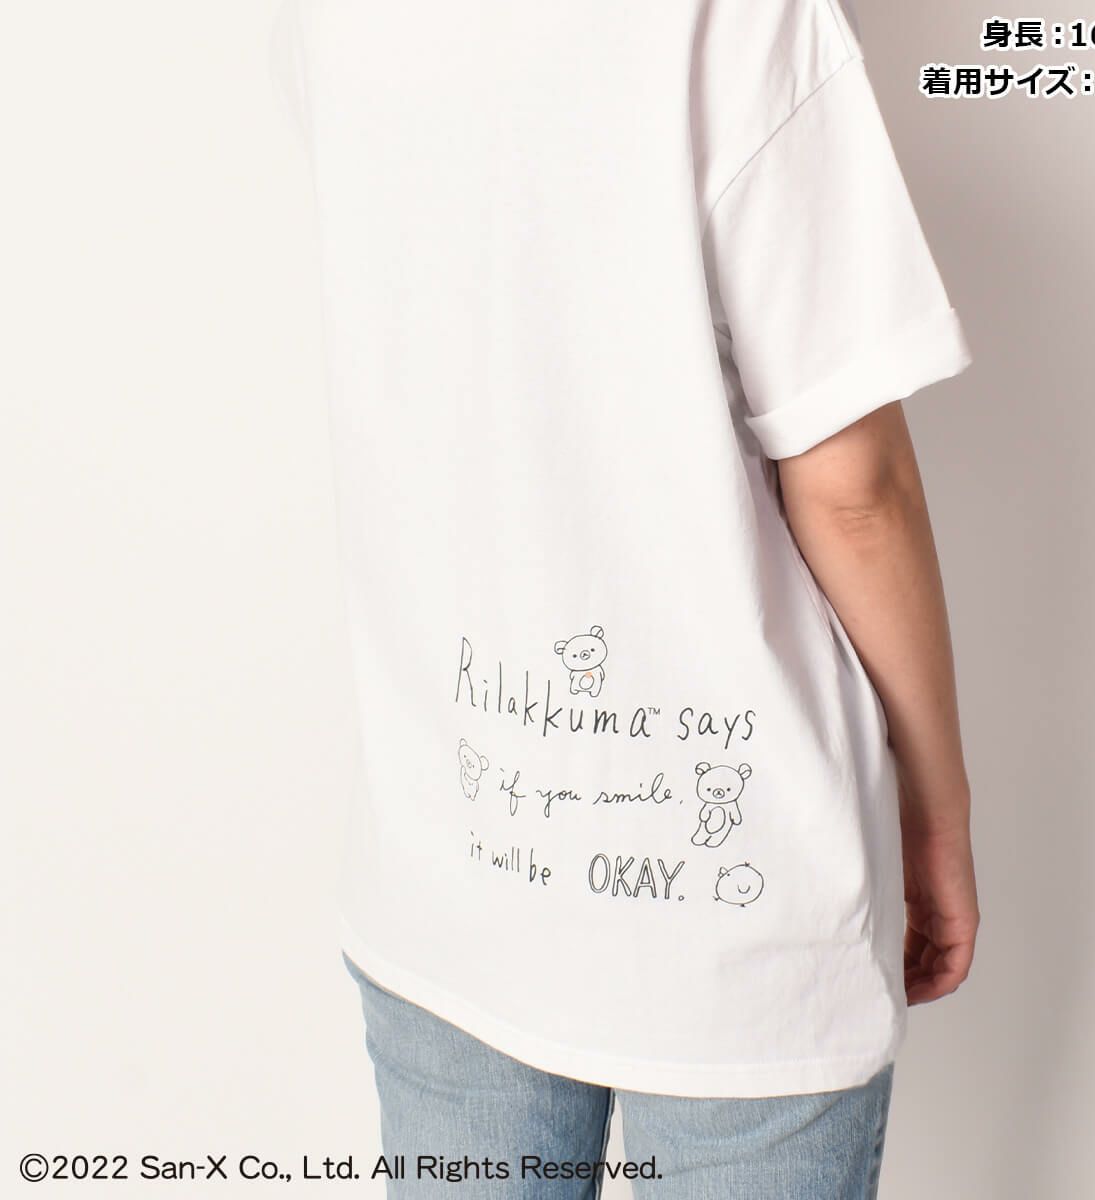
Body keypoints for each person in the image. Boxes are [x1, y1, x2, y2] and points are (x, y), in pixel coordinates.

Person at [271, 0, 980, 1195]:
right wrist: (937, 805)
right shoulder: (745, 18)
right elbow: (854, 488)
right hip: (737, 907)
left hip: (447, 862)